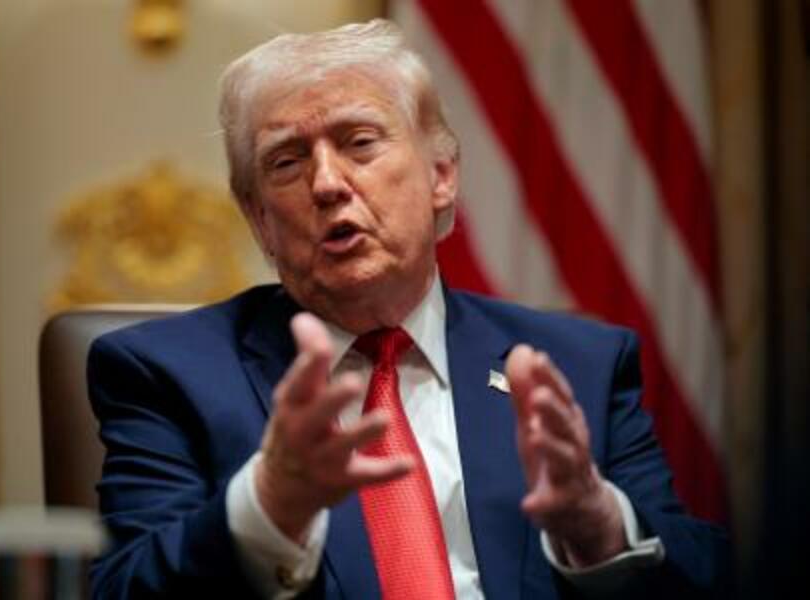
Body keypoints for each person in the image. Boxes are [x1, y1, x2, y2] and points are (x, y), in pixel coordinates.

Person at [87, 19, 729, 599]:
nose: (327, 183)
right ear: (259, 220)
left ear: (441, 176)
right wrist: (267, 508)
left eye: (359, 142)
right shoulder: (165, 374)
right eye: (286, 161)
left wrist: (600, 527)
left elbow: (712, 576)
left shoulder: (579, 365)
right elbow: (121, 588)